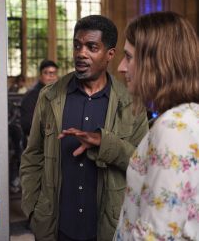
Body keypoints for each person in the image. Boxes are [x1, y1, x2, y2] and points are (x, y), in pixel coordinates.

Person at [20, 15, 149, 241]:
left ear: (109, 54)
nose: (81, 53)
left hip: (106, 228)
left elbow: (143, 164)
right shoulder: (50, 96)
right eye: (77, 45)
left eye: (91, 47)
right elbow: (33, 157)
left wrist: (104, 144)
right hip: (57, 227)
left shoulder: (131, 103)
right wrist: (33, 211)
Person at [114, 12, 199, 240]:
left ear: (157, 63)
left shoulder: (173, 128)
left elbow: (159, 233)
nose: (121, 67)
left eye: (129, 57)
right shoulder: (190, 115)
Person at [20, 59, 59, 138]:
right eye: (47, 73)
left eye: (53, 73)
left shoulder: (59, 94)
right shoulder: (31, 96)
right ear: (40, 75)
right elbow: (27, 125)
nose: (51, 76)